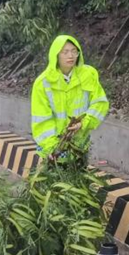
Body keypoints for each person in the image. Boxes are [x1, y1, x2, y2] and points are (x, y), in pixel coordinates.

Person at [30, 35, 109, 164]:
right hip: (53, 148)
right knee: (54, 182)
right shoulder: (43, 83)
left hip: (79, 146)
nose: (70, 56)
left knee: (78, 180)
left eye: (74, 51)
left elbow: (99, 103)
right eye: (65, 52)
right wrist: (52, 147)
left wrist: (84, 123)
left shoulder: (88, 75)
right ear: (56, 55)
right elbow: (42, 119)